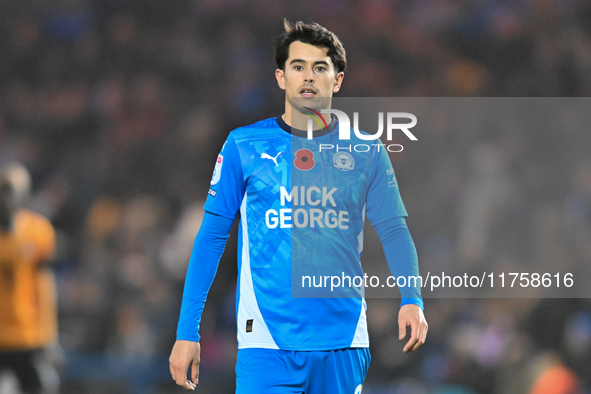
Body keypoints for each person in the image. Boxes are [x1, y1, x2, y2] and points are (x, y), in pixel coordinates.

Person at [169, 20, 428, 393]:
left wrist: (412, 298)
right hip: (266, 344)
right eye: (298, 66)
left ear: (337, 80)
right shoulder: (245, 146)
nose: (309, 76)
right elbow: (211, 237)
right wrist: (186, 332)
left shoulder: (366, 150)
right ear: (280, 77)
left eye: (320, 67)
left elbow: (393, 229)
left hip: (343, 342)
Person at [0, 163, 60, 394]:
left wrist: (49, 334)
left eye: (12, 191)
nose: (7, 198)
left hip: (28, 335)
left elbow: (45, 285)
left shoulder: (38, 230)